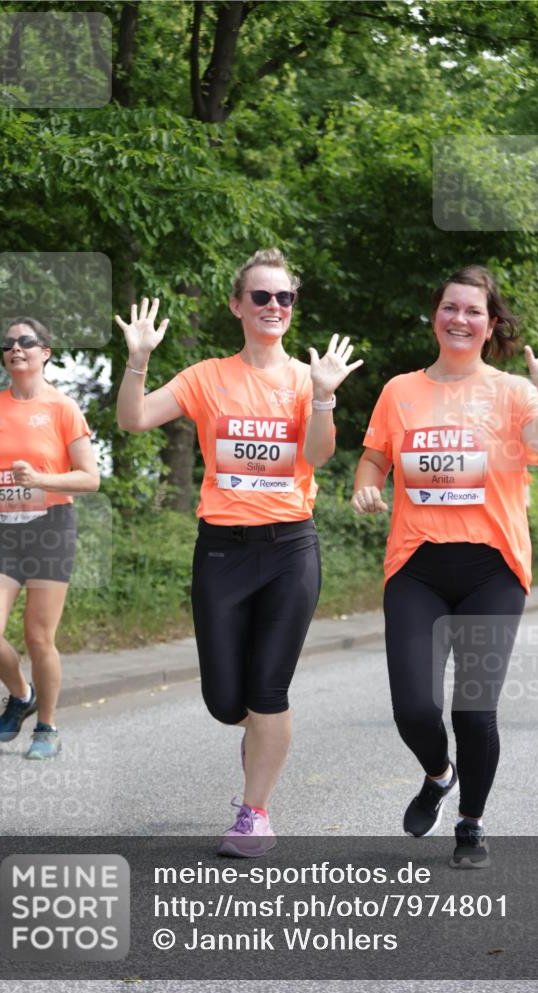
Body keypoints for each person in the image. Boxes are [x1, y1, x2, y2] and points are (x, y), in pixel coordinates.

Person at [116, 248, 362, 857]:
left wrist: (325, 396)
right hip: (223, 551)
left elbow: (320, 455)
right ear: (237, 305)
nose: (274, 307)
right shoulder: (206, 376)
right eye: (261, 297)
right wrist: (138, 362)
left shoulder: (309, 378)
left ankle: (254, 813)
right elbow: (133, 419)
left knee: (268, 691)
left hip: (290, 549)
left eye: (285, 298)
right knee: (227, 702)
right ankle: (253, 735)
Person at [352, 265, 538, 868]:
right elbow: (375, 458)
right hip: (416, 567)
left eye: (473, 311)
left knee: (474, 710)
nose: (460, 318)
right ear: (436, 315)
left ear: (491, 324)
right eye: (450, 307)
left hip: (492, 570)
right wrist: (365, 485)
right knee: (415, 709)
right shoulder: (400, 390)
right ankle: (438, 772)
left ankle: (471, 823)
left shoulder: (512, 391)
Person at [0, 317, 100, 760]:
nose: (15, 348)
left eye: (26, 341)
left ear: (46, 351)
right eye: (8, 343)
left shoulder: (63, 407)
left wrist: (40, 477)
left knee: (39, 635)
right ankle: (21, 694)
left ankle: (48, 726)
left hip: (50, 529)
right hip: (3, 529)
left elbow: (90, 479)